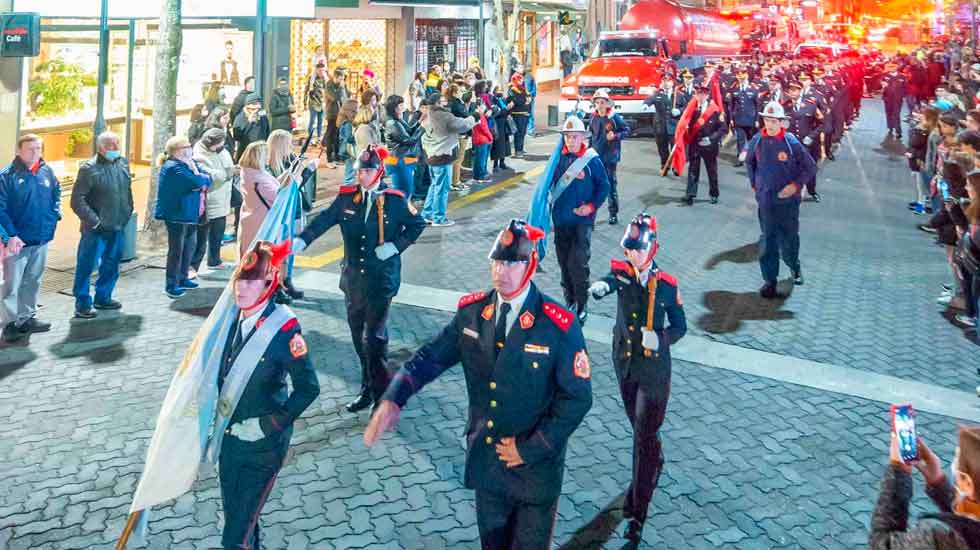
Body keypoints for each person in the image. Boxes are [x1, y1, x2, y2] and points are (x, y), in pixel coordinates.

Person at [365, 218, 593, 550]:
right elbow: (431, 357)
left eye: (512, 262)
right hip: (489, 465)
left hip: (534, 473)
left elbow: (577, 399)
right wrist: (394, 396)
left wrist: (529, 448)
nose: (501, 270)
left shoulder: (557, 324)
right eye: (497, 261)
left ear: (530, 265)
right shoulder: (474, 313)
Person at [293, 145, 426, 412]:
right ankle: (367, 388)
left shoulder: (394, 199)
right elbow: (325, 220)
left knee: (374, 339)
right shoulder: (346, 198)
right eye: (359, 171)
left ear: (379, 171)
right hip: (354, 280)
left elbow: (417, 224)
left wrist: (395, 246)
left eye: (367, 171)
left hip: (381, 280)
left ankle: (381, 396)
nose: (361, 175)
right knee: (358, 337)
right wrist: (302, 240)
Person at [588, 213, 686, 548]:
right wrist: (600, 286)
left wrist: (660, 340)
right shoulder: (622, 274)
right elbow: (611, 280)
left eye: (637, 250)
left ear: (652, 249)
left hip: (654, 373)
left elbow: (680, 327)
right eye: (629, 249)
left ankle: (637, 513)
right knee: (641, 432)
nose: (632, 255)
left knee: (641, 439)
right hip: (625, 365)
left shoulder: (668, 286)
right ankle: (654, 456)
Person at [217, 239, 319, 550]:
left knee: (234, 537)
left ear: (268, 283)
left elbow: (309, 388)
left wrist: (268, 425)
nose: (242, 288)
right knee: (240, 518)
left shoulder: (284, 329)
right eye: (239, 279)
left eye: (251, 281)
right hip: (229, 439)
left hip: (263, 447)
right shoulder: (232, 318)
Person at [745, 102, 817, 299]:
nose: (770, 124)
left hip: (788, 203)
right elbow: (749, 163)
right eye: (767, 120)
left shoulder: (791, 143)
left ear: (781, 122)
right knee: (768, 241)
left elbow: (810, 168)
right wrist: (755, 186)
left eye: (774, 120)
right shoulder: (757, 140)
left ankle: (794, 266)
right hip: (766, 201)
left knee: (789, 240)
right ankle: (770, 281)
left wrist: (795, 186)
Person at [869, 425, 980, 549]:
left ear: (968, 484)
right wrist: (939, 484)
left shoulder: (939, 537)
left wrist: (898, 471)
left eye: (957, 457)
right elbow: (970, 523)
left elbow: (882, 543)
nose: (955, 463)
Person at [549, 116, 610, 324]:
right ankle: (570, 302)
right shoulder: (557, 159)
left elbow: (604, 187)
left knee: (579, 264)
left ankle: (582, 305)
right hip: (561, 222)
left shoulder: (592, 160)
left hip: (582, 224)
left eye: (575, 137)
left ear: (583, 137)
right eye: (567, 137)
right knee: (564, 264)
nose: (571, 141)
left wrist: (591, 207)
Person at [0, 134, 60, 342]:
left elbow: (56, 195)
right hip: (17, 242)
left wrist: (54, 217)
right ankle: (9, 324)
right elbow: (1, 209)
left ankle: (27, 318)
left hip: (41, 239)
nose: (34, 152)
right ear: (18, 151)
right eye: (30, 149)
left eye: (38, 148)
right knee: (11, 285)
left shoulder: (47, 171)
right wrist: (10, 235)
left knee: (33, 280)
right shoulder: (7, 176)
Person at [70, 131, 134, 319]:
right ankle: (82, 303)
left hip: (118, 225)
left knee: (111, 264)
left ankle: (103, 297)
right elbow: (77, 200)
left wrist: (127, 212)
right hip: (95, 230)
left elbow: (127, 191)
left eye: (116, 144)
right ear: (99, 147)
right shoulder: (89, 168)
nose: (114, 148)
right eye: (109, 145)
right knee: (86, 265)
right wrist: (95, 222)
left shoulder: (122, 163)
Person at [154, 136, 211, 299]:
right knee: (176, 251)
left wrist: (199, 176)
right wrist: (198, 177)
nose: (190, 149)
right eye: (186, 147)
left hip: (190, 214)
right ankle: (171, 285)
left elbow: (208, 178)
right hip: (177, 215)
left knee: (188, 248)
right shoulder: (173, 167)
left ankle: (183, 278)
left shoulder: (188, 164)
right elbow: (196, 181)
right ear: (177, 151)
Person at [421, 92, 476, 227]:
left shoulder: (426, 114)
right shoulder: (442, 116)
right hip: (442, 156)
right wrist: (473, 117)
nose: (445, 103)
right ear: (437, 103)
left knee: (434, 185)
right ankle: (438, 218)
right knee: (442, 188)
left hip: (431, 155)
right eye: (443, 101)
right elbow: (462, 125)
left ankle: (427, 214)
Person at [191, 128, 236, 275]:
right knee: (201, 237)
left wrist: (231, 171)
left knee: (217, 233)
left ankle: (214, 260)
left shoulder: (220, 150)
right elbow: (210, 175)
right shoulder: (199, 155)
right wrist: (227, 174)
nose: (221, 146)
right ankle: (192, 267)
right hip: (209, 200)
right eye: (219, 143)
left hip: (222, 197)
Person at [588, 88, 629, 225]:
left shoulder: (614, 117)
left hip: (610, 158)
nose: (600, 105)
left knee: (610, 186)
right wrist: (587, 153)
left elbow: (627, 130)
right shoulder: (593, 117)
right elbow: (591, 136)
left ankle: (613, 213)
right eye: (597, 102)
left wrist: (616, 136)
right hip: (595, 157)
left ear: (607, 103)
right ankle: (590, 214)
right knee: (592, 186)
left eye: (602, 102)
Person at [238, 141, 282, 261]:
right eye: (266, 154)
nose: (268, 157)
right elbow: (279, 196)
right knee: (258, 260)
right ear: (259, 157)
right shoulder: (257, 178)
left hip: (251, 218)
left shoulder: (249, 173)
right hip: (261, 222)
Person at [685, 84, 726, 206]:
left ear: (708, 95)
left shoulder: (715, 110)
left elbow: (723, 128)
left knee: (711, 171)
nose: (701, 96)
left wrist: (711, 139)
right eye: (699, 94)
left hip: (709, 145)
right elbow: (685, 122)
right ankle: (690, 194)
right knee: (693, 169)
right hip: (695, 144)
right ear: (696, 95)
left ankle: (714, 194)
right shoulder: (691, 109)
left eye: (704, 94)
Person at [784, 81, 824, 202]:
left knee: (809, 168)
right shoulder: (785, 105)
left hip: (807, 143)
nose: (792, 92)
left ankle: (812, 191)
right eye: (790, 90)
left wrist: (812, 136)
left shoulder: (811, 104)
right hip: (791, 143)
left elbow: (822, 123)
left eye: (795, 90)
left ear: (800, 91)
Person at [384, 95, 424, 198]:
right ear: (394, 107)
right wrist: (423, 128)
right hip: (397, 160)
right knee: (403, 192)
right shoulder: (392, 123)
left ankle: (404, 211)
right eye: (401, 105)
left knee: (406, 190)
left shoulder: (398, 119)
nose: (403, 107)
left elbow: (410, 131)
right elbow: (409, 141)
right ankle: (400, 212)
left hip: (403, 159)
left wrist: (419, 122)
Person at [728, 68, 762, 167]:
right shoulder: (735, 90)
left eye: (742, 77)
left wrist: (756, 120)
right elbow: (731, 106)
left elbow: (758, 106)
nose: (741, 80)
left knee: (752, 140)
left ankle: (753, 158)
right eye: (739, 78)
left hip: (751, 120)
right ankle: (740, 158)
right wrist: (731, 119)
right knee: (740, 140)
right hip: (739, 119)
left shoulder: (754, 90)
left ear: (746, 77)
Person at [233, 94, 271, 164]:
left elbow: (267, 130)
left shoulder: (262, 115)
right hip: (246, 152)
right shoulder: (241, 117)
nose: (256, 110)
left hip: (260, 150)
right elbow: (237, 136)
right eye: (254, 107)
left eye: (259, 104)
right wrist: (249, 122)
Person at [324, 68, 350, 165]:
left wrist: (344, 89)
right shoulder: (329, 86)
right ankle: (329, 158)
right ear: (335, 77)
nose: (341, 81)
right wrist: (341, 88)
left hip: (341, 114)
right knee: (330, 136)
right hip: (332, 114)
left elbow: (346, 96)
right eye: (340, 79)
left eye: (342, 79)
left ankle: (337, 156)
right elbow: (334, 97)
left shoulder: (341, 86)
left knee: (338, 136)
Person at [506, 73, 531, 157]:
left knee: (523, 132)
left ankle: (520, 148)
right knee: (518, 133)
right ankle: (517, 151)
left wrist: (525, 99)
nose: (521, 80)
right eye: (519, 79)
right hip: (517, 114)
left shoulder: (522, 89)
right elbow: (517, 100)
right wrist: (524, 99)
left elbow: (526, 98)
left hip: (525, 114)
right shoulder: (512, 89)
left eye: (521, 79)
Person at [336, 99, 359, 186]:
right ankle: (348, 193)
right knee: (350, 175)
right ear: (351, 111)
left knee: (350, 172)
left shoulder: (344, 122)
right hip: (349, 151)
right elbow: (349, 138)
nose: (358, 111)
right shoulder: (347, 124)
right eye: (357, 109)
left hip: (347, 151)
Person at [490, 85, 512, 173]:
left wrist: (509, 109)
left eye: (502, 90)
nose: (501, 92)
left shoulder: (503, 100)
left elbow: (506, 111)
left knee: (504, 144)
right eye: (499, 90)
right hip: (497, 124)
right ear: (495, 91)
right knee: (497, 145)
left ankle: (502, 162)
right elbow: (495, 113)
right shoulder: (493, 100)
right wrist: (504, 110)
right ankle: (495, 165)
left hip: (504, 124)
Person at [883, 63, 908, 140]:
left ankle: (898, 131)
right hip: (887, 98)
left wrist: (902, 95)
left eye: (893, 66)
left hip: (897, 99)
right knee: (889, 113)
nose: (891, 68)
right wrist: (882, 85)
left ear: (897, 67)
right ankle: (890, 127)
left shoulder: (902, 76)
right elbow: (879, 85)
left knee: (896, 115)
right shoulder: (885, 76)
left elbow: (905, 87)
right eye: (890, 66)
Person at [471, 101, 494, 184]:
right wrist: (491, 137)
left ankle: (476, 176)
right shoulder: (480, 116)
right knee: (482, 160)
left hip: (477, 140)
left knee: (477, 159)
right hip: (483, 140)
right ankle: (481, 176)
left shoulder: (473, 115)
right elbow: (485, 129)